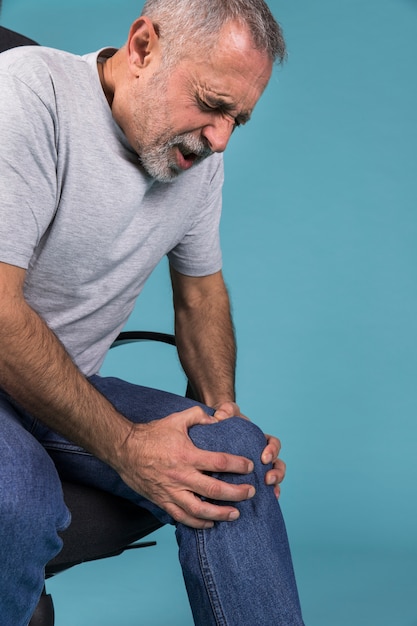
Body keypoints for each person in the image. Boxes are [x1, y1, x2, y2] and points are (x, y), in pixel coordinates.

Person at [0, 1, 305, 624]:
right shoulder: (32, 93)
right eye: (213, 104)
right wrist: (127, 445)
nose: (220, 139)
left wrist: (224, 410)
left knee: (232, 459)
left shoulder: (195, 162)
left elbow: (201, 294)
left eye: (238, 121)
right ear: (143, 47)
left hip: (63, 384)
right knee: (16, 503)